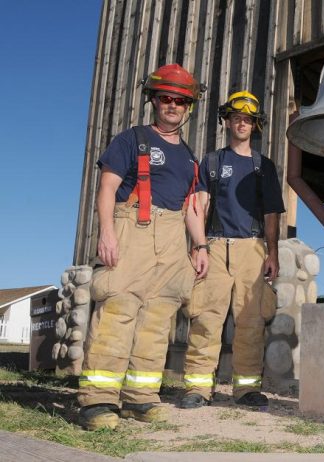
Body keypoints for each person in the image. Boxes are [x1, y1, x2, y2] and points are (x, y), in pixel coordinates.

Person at [78, 64, 209, 431]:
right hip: (132, 226)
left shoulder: (189, 157)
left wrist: (200, 247)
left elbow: (192, 208)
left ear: (189, 108)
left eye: (180, 101)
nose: (173, 105)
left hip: (172, 239)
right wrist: (106, 233)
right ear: (153, 99)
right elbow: (107, 188)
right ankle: (98, 401)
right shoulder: (131, 139)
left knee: (158, 317)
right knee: (119, 308)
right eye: (166, 98)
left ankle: (140, 399)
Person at [179, 90, 285, 410]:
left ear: (255, 126)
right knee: (206, 318)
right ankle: (198, 387)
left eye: (248, 120)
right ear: (227, 122)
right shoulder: (212, 161)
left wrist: (272, 253)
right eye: (236, 118)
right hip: (214, 244)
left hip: (251, 249)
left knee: (251, 321)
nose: (242, 123)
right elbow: (199, 205)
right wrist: (199, 247)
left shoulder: (263, 166)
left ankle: (246, 389)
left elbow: (271, 214)